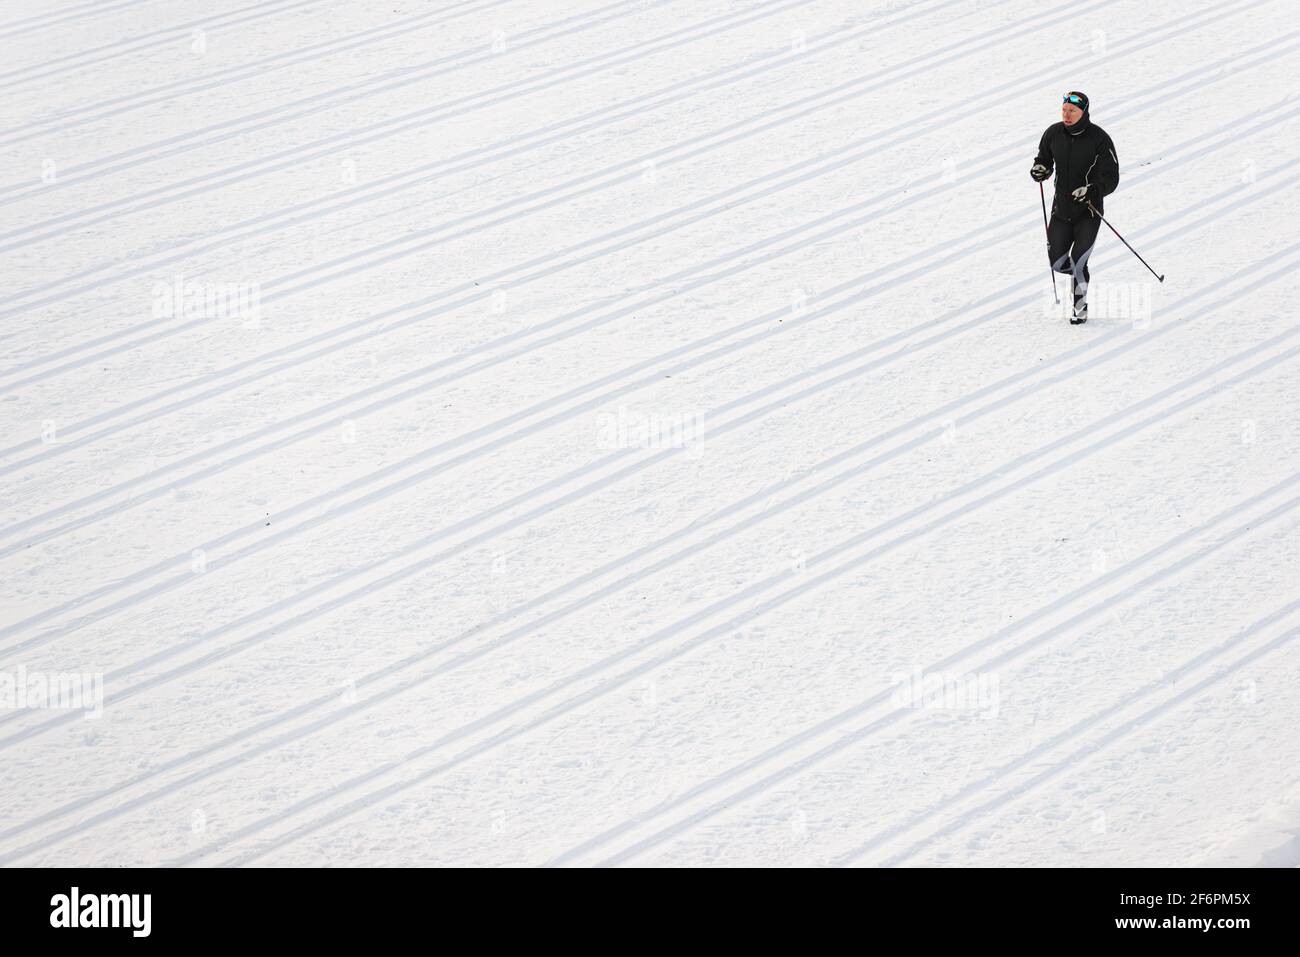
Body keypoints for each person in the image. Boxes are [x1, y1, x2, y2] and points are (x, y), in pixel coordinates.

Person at [1030, 92, 1120, 323]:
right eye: (1064, 110)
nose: (1067, 115)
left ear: (1084, 112)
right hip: (1061, 210)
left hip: (1088, 212)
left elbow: (1111, 178)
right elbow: (1044, 160)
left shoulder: (1099, 139)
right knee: (1058, 263)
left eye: (1072, 111)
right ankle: (1080, 277)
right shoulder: (1053, 133)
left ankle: (1080, 306)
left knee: (1079, 261)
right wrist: (1040, 170)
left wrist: (1091, 191)